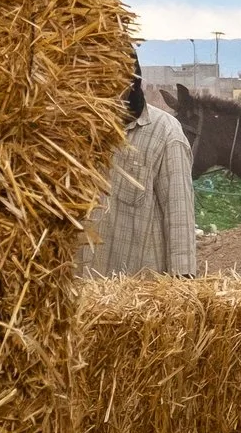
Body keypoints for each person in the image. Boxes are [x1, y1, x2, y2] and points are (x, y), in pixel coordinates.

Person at [79, 65, 200, 278]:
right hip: (78, 289)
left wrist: (183, 285)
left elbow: (179, 217)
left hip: (134, 296)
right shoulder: (76, 130)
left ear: (132, 81)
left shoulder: (165, 133)